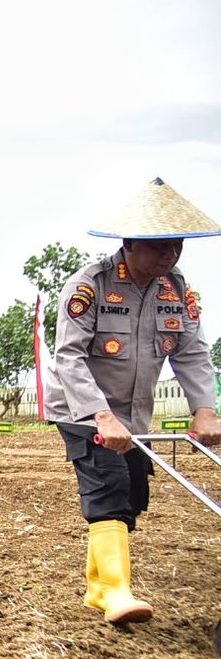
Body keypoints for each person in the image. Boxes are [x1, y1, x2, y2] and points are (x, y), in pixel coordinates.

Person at [42, 177, 220, 625]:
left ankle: (98, 586)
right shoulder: (91, 286)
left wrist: (204, 407)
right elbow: (69, 356)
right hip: (83, 410)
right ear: (129, 245)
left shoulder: (175, 290)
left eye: (176, 246)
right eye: (159, 247)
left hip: (134, 416)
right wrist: (101, 415)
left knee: (135, 494)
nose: (170, 255)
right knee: (110, 486)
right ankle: (116, 593)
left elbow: (192, 351)